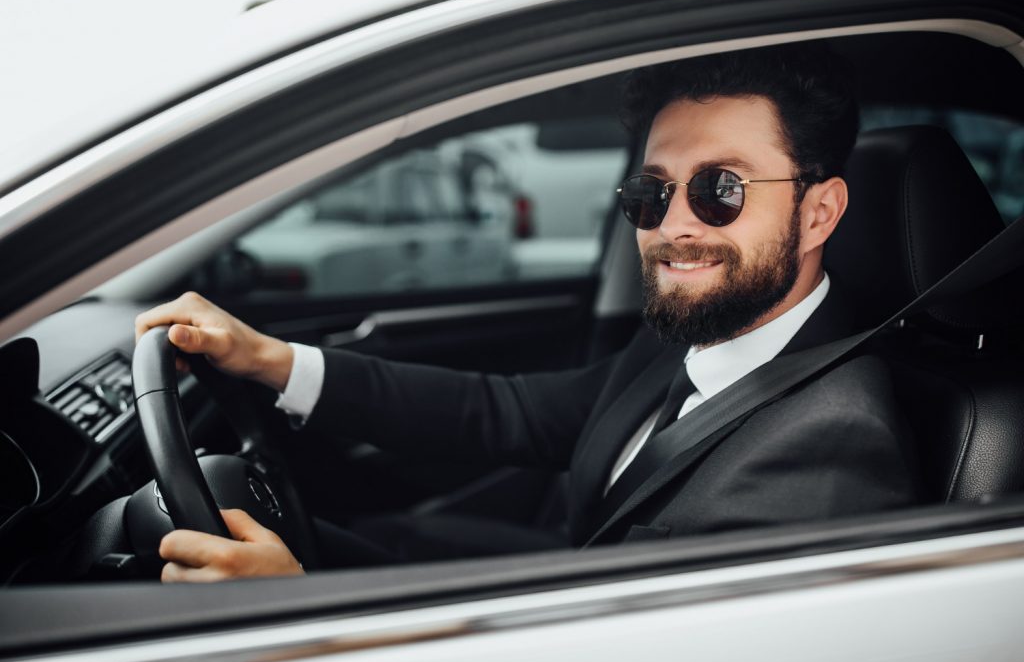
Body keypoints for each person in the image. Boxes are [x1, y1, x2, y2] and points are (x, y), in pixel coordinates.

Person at [136, 43, 921, 583]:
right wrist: (270, 358)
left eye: (721, 190)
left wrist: (299, 613)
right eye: (651, 193)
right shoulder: (695, 338)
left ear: (820, 214)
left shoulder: (833, 445)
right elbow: (503, 411)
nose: (674, 226)